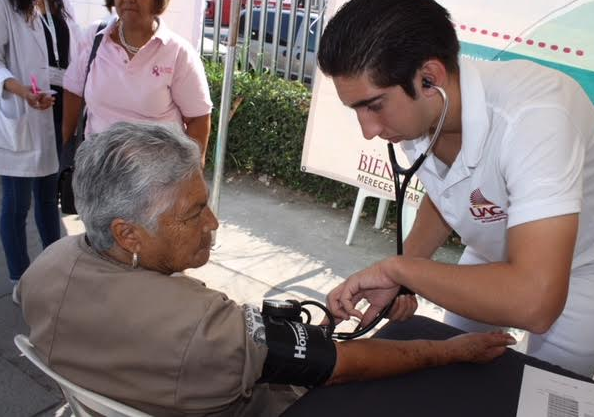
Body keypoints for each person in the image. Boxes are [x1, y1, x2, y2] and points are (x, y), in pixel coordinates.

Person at [18, 122, 515, 417]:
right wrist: (452, 350)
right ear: (128, 234)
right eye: (193, 213)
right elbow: (340, 366)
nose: (213, 223)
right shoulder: (207, 328)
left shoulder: (43, 268)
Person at [318, 0, 594, 378]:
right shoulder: (424, 114)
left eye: (374, 105)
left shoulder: (536, 119)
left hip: (578, 270)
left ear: (430, 78)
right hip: (490, 255)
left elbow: (537, 302)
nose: (368, 131)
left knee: (549, 388)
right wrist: (405, 276)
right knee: (453, 366)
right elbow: (448, 192)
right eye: (357, 110)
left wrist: (400, 271)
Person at [62, 0, 212, 165]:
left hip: (156, 181)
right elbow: (74, 92)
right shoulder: (95, 38)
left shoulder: (178, 53)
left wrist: (191, 174)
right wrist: (66, 150)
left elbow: (198, 119)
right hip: (97, 174)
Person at [0, 0, 79, 302]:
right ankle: (21, 279)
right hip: (25, 107)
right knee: (17, 203)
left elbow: (76, 47)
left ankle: (56, 274)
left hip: (58, 108)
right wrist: (21, 91)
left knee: (49, 199)